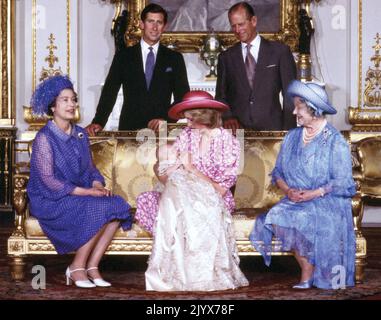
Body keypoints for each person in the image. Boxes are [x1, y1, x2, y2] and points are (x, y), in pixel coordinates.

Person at [27, 75, 133, 288]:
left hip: (79, 192)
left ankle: (92, 266)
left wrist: (96, 185)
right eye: (64, 100)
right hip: (51, 199)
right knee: (96, 208)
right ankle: (76, 267)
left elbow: (90, 170)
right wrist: (87, 193)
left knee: (117, 205)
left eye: (73, 99)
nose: (71, 104)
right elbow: (49, 181)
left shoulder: (80, 134)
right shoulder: (44, 138)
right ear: (52, 106)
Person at [249, 80, 356, 289]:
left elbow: (343, 181)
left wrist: (313, 193)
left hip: (327, 199)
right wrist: (289, 190)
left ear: (313, 109)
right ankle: (308, 267)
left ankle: (311, 273)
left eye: (299, 107)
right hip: (295, 198)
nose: (294, 112)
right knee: (276, 216)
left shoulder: (335, 141)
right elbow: (278, 172)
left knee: (305, 217)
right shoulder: (292, 137)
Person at [140, 90, 249, 291]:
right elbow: (167, 178)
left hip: (212, 197)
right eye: (186, 119)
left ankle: (193, 276)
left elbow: (221, 190)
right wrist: (162, 166)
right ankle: (174, 274)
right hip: (179, 192)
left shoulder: (229, 143)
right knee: (167, 196)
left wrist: (192, 170)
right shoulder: (186, 135)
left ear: (205, 116)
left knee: (178, 202)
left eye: (191, 119)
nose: (187, 124)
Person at [86, 3, 190, 134]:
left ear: (164, 27)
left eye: (159, 22)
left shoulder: (175, 58)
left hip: (161, 131)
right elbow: (109, 92)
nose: (154, 27)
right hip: (129, 130)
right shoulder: (123, 56)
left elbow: (182, 98)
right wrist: (99, 122)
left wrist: (166, 120)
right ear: (141, 24)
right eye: (150, 21)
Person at [215, 1, 297, 131]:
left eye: (241, 24)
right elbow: (220, 96)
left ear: (253, 21)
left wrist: (289, 132)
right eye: (233, 26)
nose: (237, 30)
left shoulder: (279, 52)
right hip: (238, 132)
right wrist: (227, 117)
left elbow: (291, 95)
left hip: (273, 130)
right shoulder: (226, 57)